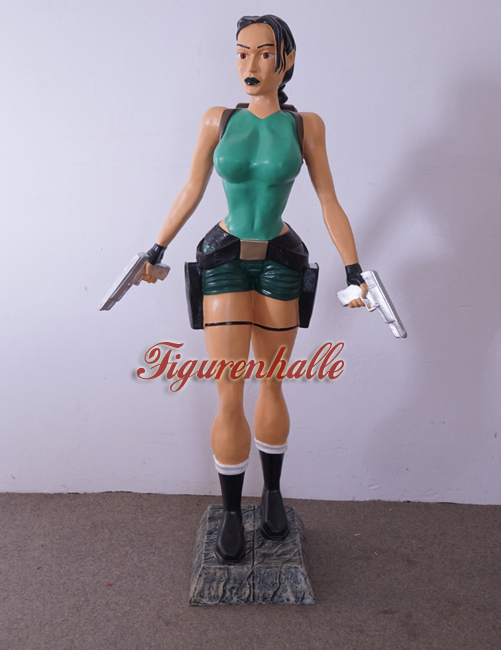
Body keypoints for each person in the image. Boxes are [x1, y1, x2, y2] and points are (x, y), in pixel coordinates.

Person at [143, 15, 367, 564]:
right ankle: (228, 511)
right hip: (223, 257)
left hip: (279, 259)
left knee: (271, 382)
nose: (251, 65)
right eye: (242, 53)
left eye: (264, 54)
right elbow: (192, 187)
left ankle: (271, 494)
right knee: (228, 386)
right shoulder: (217, 120)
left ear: (286, 60)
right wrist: (157, 248)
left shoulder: (304, 125)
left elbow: (328, 199)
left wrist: (354, 268)